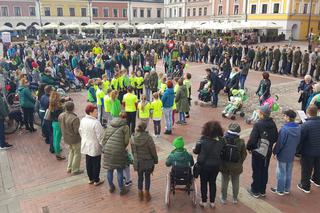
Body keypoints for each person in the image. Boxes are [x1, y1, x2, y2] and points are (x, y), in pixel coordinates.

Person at [246, 105, 278, 198]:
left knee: (256, 171)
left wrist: (249, 148)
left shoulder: (258, 124)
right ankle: (262, 190)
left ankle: (255, 190)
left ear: (262, 114)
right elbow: (276, 137)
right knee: (264, 170)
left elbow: (252, 139)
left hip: (258, 151)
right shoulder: (272, 123)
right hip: (267, 151)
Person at [193, 121, 225, 208]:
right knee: (213, 182)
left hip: (204, 166)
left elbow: (196, 151)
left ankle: (204, 201)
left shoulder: (202, 140)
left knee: (203, 183)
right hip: (216, 165)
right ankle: (212, 202)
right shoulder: (222, 141)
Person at [270, 110, 300, 195]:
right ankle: (287, 188)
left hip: (283, 154)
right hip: (292, 153)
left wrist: (275, 152)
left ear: (288, 117)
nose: (283, 117)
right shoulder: (298, 128)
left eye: (284, 116)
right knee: (289, 172)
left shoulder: (284, 129)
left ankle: (280, 190)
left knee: (281, 172)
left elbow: (280, 143)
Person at [101, 112, 130, 195]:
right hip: (118, 150)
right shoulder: (125, 127)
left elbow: (104, 138)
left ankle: (111, 187)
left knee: (109, 170)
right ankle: (121, 189)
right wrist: (122, 147)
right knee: (119, 170)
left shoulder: (110, 125)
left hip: (108, 150)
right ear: (125, 118)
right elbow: (126, 141)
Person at [131, 122, 158, 201]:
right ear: (145, 128)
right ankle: (147, 194)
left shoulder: (133, 137)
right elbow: (153, 150)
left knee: (140, 178)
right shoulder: (148, 138)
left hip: (138, 162)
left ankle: (140, 194)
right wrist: (155, 160)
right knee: (147, 177)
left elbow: (133, 151)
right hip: (148, 161)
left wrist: (135, 159)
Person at [220, 123, 247, 204]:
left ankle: (223, 198)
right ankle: (235, 198)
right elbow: (244, 155)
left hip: (224, 165)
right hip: (236, 166)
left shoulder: (223, 140)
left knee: (224, 181)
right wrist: (240, 162)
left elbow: (219, 152)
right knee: (235, 181)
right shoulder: (241, 142)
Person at [79, 104, 104, 186]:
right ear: (90, 112)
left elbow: (80, 131)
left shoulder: (83, 120)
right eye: (95, 112)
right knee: (96, 163)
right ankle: (96, 180)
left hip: (86, 143)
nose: (97, 113)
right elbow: (100, 136)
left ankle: (91, 178)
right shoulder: (96, 123)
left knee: (88, 162)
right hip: (94, 145)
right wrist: (103, 145)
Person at [297, 105, 320, 193]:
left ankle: (305, 186)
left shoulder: (305, 125)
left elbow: (300, 139)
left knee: (306, 169)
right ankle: (317, 180)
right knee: (318, 166)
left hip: (308, 151)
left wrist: (297, 151)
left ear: (307, 113)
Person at [58, 101, 82, 175]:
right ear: (73, 108)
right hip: (75, 139)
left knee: (71, 152)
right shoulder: (74, 118)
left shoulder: (61, 115)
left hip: (66, 138)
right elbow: (77, 131)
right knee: (77, 154)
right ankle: (75, 169)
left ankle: (69, 167)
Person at [49, 91, 65, 160]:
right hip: (58, 123)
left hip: (54, 122)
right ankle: (58, 154)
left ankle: (57, 149)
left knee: (55, 137)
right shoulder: (59, 106)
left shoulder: (51, 104)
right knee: (57, 139)